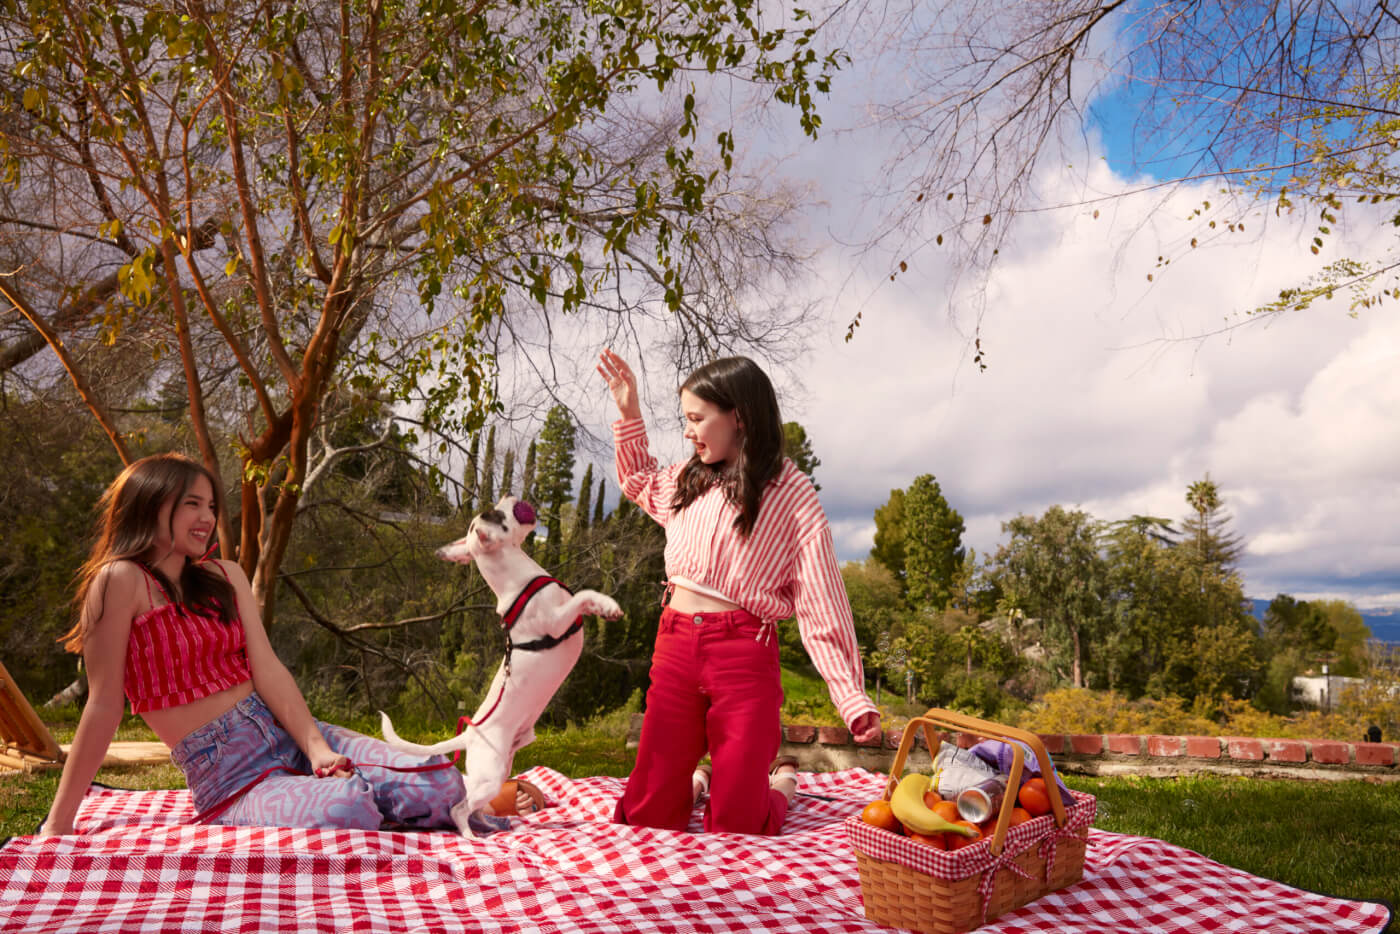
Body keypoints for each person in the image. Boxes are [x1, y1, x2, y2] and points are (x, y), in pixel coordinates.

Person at [41, 453, 466, 835]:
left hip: (294, 735)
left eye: (211, 505)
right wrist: (59, 822)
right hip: (233, 777)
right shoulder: (119, 580)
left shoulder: (225, 576)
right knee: (346, 807)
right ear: (150, 504)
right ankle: (377, 805)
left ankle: (438, 801)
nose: (207, 517)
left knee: (441, 782)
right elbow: (102, 706)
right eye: (193, 504)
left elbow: (267, 669)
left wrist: (317, 749)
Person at [596, 349, 881, 835]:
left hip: (744, 657)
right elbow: (638, 479)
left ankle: (782, 783)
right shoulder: (688, 479)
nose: (688, 431)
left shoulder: (789, 492)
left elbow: (821, 598)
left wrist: (851, 697)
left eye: (696, 419)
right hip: (675, 648)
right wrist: (628, 412)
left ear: (739, 417)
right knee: (647, 817)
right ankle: (700, 781)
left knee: (737, 825)